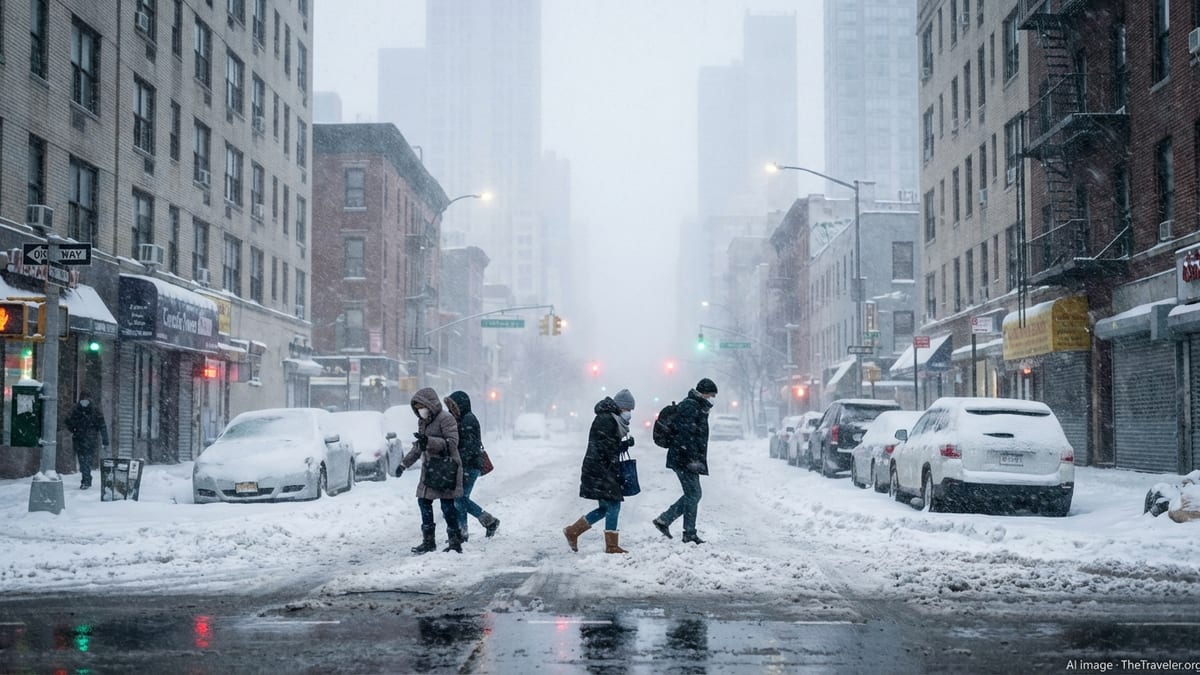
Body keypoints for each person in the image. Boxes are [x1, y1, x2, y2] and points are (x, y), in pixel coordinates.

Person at [563, 388, 637, 554]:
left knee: (605, 508)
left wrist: (623, 444)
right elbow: (604, 447)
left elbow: (607, 445)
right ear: (620, 407)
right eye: (628, 409)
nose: (629, 413)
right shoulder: (606, 419)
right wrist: (620, 446)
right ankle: (611, 546)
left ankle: (572, 531)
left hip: (599, 468)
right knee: (614, 504)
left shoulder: (610, 418)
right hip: (601, 470)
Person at [395, 387, 464, 554]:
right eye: (417, 409)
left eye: (422, 407)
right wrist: (404, 464)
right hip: (430, 470)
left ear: (430, 404)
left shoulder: (446, 419)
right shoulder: (422, 421)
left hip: (446, 469)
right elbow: (419, 446)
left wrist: (430, 442)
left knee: (447, 506)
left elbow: (452, 443)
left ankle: (455, 541)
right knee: (423, 501)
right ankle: (428, 541)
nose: (420, 411)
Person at [652, 378, 717, 544]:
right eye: (710, 395)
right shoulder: (690, 406)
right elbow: (685, 434)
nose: (710, 399)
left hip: (684, 457)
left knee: (693, 494)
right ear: (703, 392)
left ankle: (665, 520)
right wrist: (691, 458)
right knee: (694, 494)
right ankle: (689, 533)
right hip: (684, 458)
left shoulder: (696, 406)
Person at [444, 390, 500, 541]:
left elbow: (469, 447)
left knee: (459, 499)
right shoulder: (463, 418)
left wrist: (458, 460)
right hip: (466, 466)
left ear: (460, 405)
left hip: (469, 466)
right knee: (461, 500)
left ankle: (488, 522)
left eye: (452, 407)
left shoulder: (468, 420)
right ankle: (463, 532)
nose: (450, 411)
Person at [64, 390, 109, 490]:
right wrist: (105, 440)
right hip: (85, 439)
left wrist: (74, 428)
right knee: (84, 460)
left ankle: (86, 479)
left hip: (84, 439)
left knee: (85, 460)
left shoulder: (81, 410)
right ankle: (86, 478)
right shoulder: (89, 410)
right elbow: (102, 426)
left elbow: (102, 426)